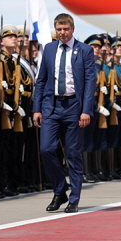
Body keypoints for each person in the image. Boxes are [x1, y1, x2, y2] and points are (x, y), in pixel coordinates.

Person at [32, 13, 96, 213]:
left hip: (73, 108)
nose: (62, 33)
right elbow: (41, 80)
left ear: (72, 29)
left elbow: (89, 83)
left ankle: (74, 199)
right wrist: (37, 109)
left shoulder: (84, 50)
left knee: (73, 154)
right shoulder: (50, 49)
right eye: (59, 29)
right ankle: (60, 190)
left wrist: (86, 110)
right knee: (46, 149)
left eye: (65, 29)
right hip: (51, 107)